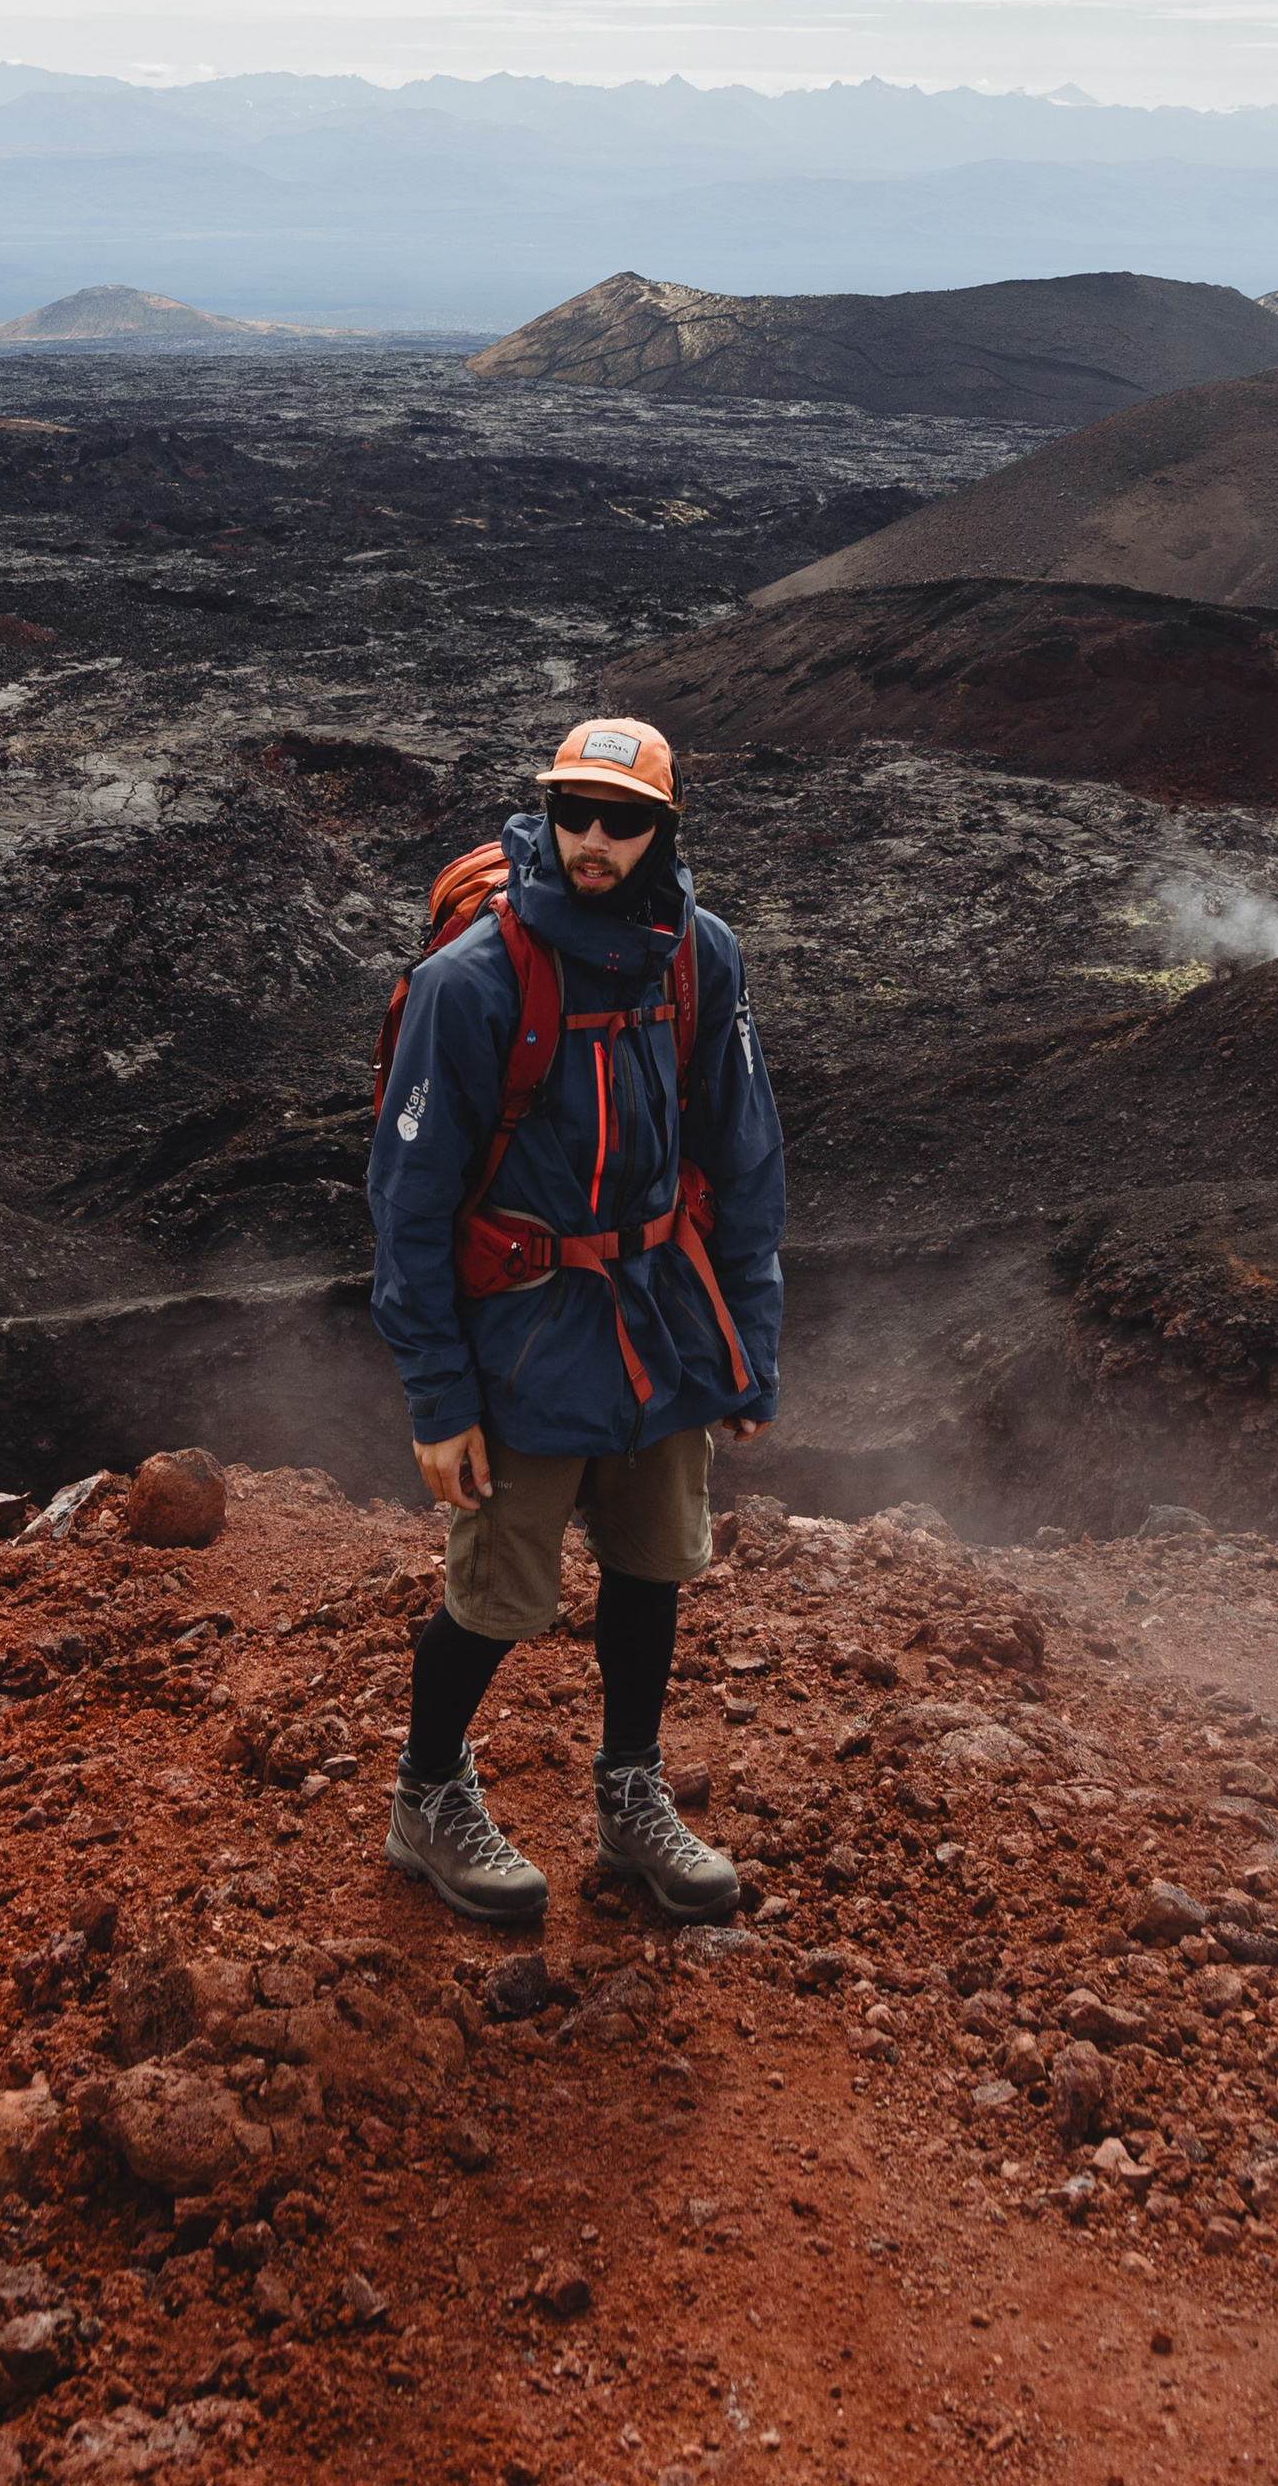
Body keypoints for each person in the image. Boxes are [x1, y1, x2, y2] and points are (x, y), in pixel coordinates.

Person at [366, 715, 786, 1923]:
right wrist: (439, 1402)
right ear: (547, 812)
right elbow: (408, 1203)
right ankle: (426, 1795)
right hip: (528, 1334)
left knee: (652, 1566)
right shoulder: (472, 983)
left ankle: (628, 1795)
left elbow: (743, 1158)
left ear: (663, 831)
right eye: (573, 811)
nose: (592, 839)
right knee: (497, 1594)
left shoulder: (701, 958)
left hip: (656, 1320)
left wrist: (745, 1349)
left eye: (623, 819)